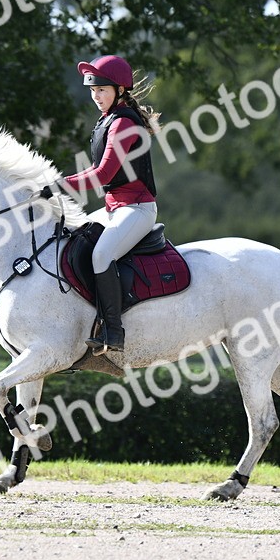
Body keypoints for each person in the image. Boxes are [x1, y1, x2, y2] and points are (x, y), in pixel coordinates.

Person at [42, 55, 160, 354]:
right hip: (113, 208)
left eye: (102, 90)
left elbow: (103, 174)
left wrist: (59, 185)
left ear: (120, 90)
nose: (96, 96)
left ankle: (113, 330)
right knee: (71, 241)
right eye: (93, 91)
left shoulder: (122, 123)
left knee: (102, 255)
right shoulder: (107, 120)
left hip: (137, 209)